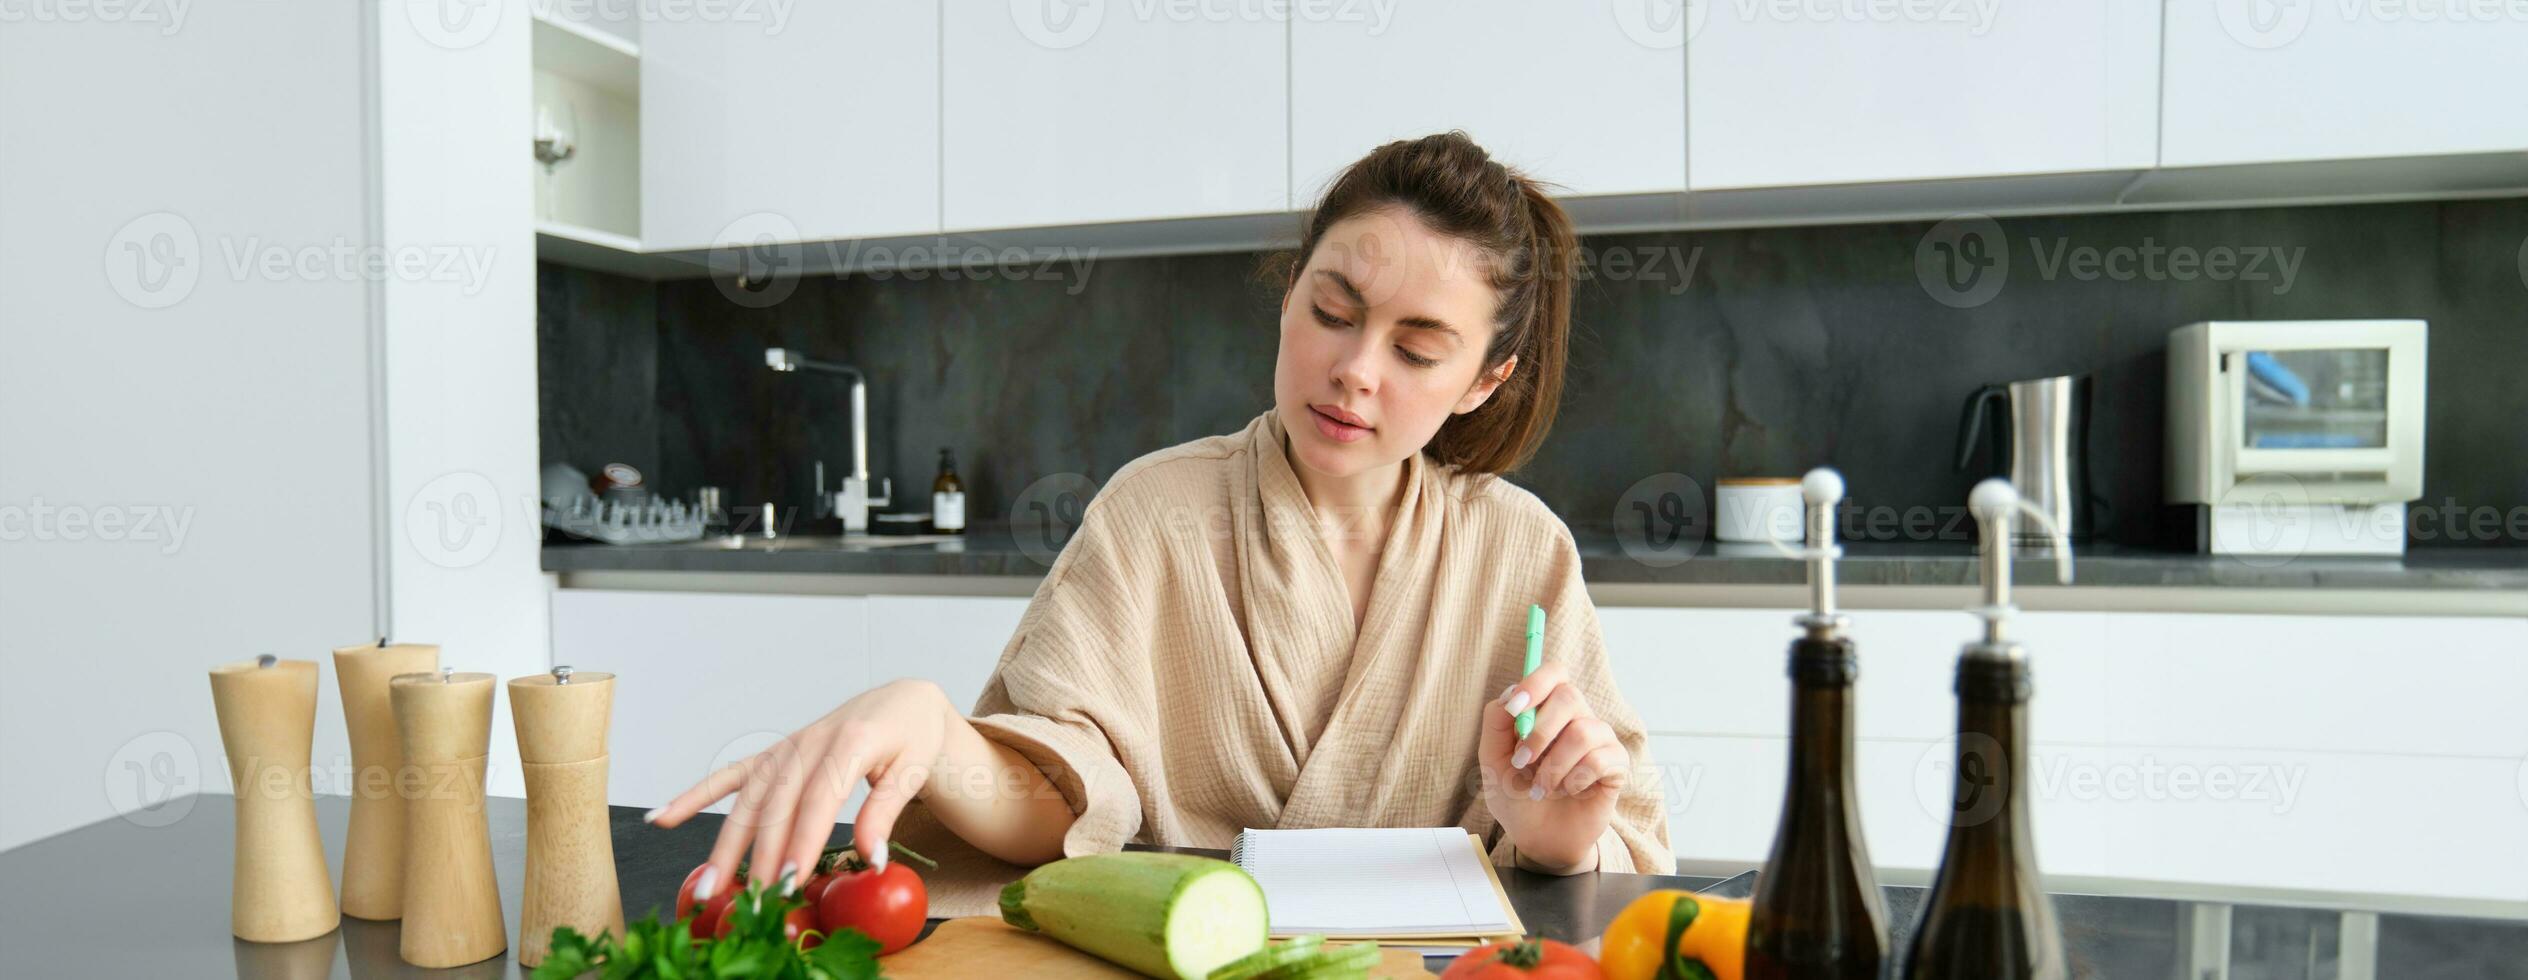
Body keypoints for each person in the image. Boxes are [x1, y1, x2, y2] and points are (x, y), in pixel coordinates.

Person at [647, 131, 1674, 911]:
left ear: (1481, 380)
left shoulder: (1519, 549)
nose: (1354, 369)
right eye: (1331, 309)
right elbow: (1062, 791)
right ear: (1287, 295)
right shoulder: (1153, 512)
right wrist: (937, 729)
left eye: (1416, 348)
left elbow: (1608, 846)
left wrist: (1553, 834)